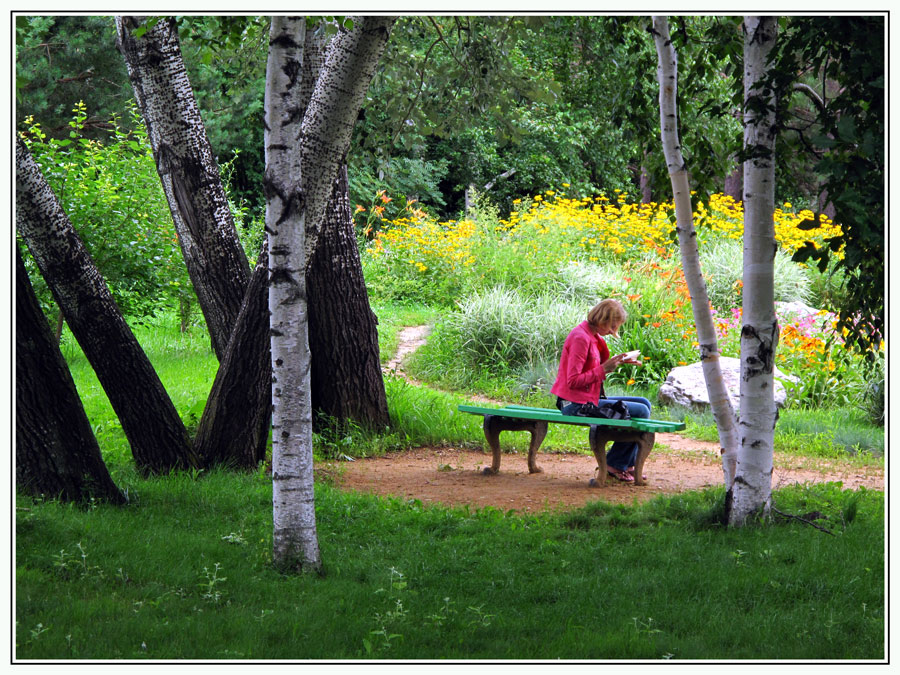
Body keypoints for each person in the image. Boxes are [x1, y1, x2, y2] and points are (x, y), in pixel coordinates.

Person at [550, 298, 651, 482]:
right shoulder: (581, 338)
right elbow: (572, 381)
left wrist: (619, 362)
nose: (613, 331)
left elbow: (594, 367)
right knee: (642, 411)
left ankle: (624, 463)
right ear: (602, 319)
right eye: (612, 326)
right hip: (574, 404)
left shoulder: (591, 334)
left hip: (587, 398)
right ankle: (616, 464)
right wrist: (604, 369)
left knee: (644, 403)